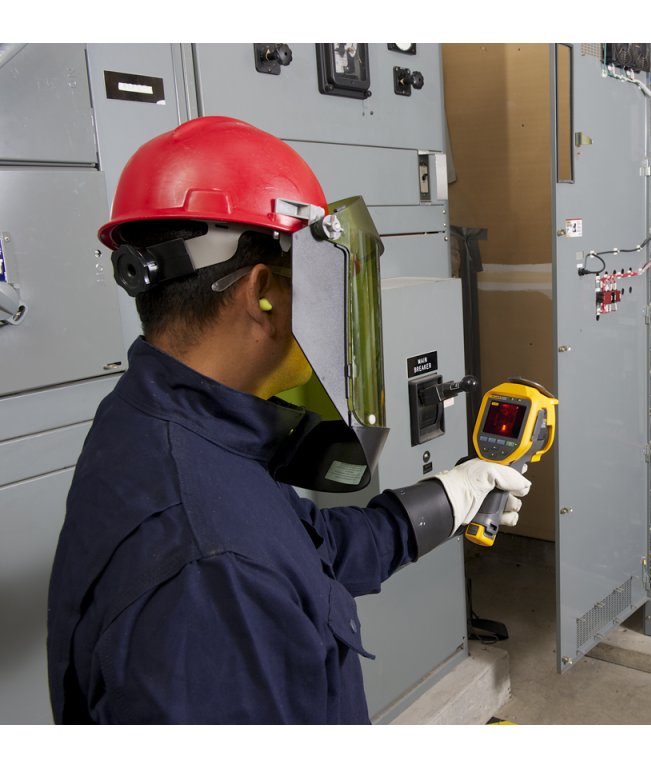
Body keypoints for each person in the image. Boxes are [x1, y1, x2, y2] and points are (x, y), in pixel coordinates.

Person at [46, 116, 530, 724]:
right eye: (318, 279)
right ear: (263, 295)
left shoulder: (162, 422)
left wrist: (451, 497)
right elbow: (247, 565)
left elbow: (305, 551)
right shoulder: (209, 574)